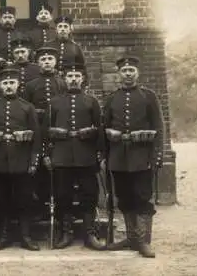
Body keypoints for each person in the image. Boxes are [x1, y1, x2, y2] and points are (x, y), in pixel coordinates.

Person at [103, 56, 164, 258]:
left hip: (142, 156)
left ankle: (144, 241)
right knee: (125, 197)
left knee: (143, 197)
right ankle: (131, 238)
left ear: (137, 73)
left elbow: (159, 127)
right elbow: (105, 128)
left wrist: (156, 156)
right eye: (124, 71)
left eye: (131, 70)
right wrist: (105, 156)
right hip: (119, 157)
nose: (128, 74)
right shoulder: (112, 98)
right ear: (118, 74)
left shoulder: (149, 96)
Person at [43, 62, 104, 250]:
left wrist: (99, 152)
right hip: (61, 156)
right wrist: (46, 154)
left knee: (90, 193)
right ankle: (66, 231)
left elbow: (99, 129)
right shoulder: (54, 103)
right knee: (62, 194)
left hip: (86, 155)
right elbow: (45, 130)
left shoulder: (91, 101)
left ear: (82, 79)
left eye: (77, 76)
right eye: (70, 76)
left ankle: (89, 232)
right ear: (65, 79)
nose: (74, 79)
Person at [0, 68, 41, 251]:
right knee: (1, 200)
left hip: (22, 160)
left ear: (18, 85)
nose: (8, 86)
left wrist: (33, 160)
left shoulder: (27, 107)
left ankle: (26, 236)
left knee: (24, 200)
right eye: (5, 83)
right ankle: (4, 236)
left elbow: (36, 136)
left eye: (12, 83)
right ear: (0, 86)